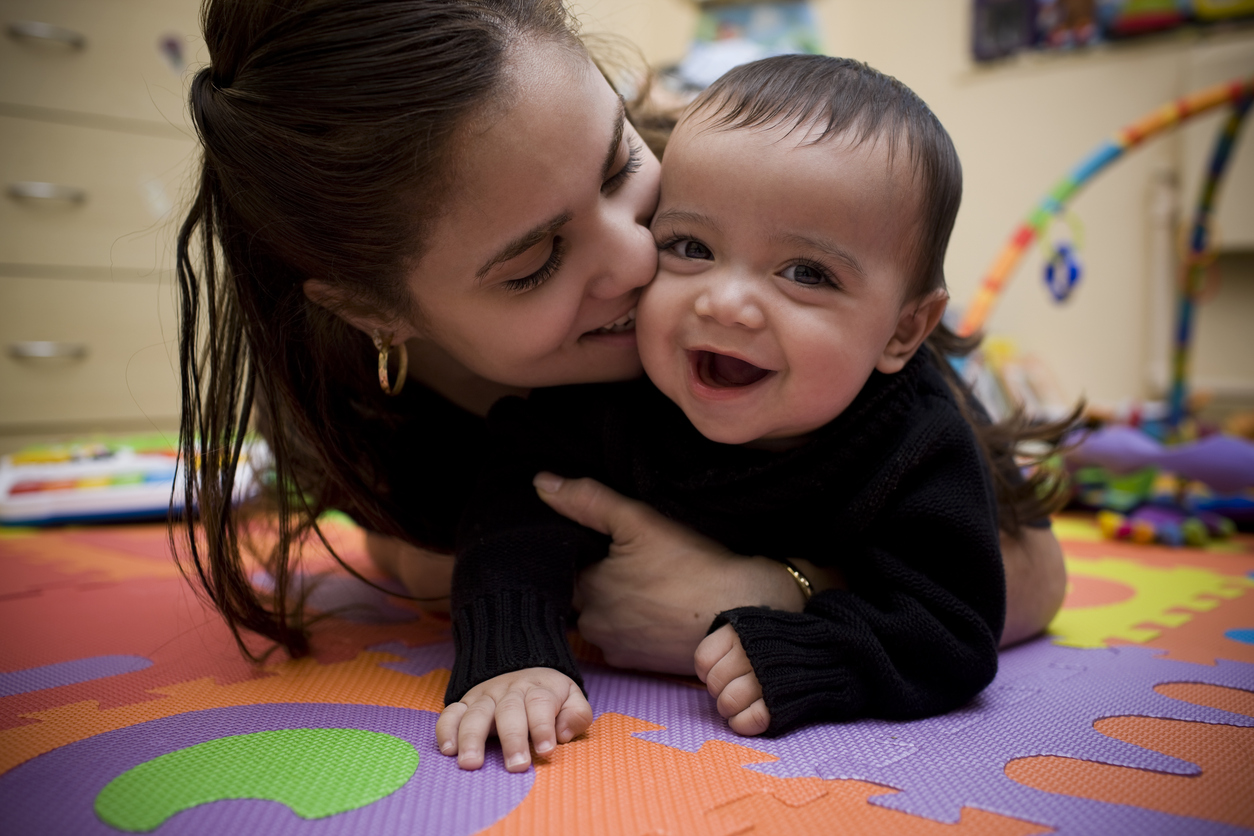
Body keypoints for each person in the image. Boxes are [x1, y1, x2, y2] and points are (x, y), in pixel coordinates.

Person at [173, 0, 1067, 771]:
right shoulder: (344, 399)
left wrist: (773, 592)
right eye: (534, 262)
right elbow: (413, 548)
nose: (643, 258)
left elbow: (1020, 572)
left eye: (617, 169)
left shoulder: (735, 181)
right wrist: (506, 609)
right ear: (375, 312)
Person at [436, 54, 1076, 772]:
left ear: (903, 330)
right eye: (691, 248)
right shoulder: (609, 396)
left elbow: (952, 628)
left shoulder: (916, 445)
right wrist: (514, 657)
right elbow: (514, 512)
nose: (726, 303)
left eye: (806, 273)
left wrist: (804, 644)